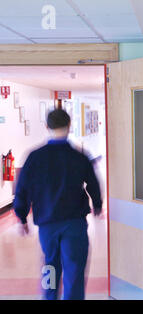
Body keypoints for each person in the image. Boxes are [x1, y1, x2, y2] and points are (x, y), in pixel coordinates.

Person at [13, 108, 103, 300]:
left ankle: (49, 297)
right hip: (74, 223)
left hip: (47, 223)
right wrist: (97, 205)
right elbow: (93, 183)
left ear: (47, 127)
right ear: (70, 126)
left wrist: (21, 217)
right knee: (74, 269)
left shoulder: (35, 157)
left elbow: (22, 188)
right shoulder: (79, 156)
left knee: (50, 266)